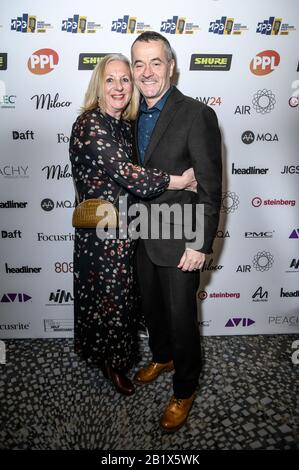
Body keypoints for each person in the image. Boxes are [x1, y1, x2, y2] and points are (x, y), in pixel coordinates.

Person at [69, 54, 196, 397]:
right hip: (103, 234)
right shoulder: (90, 125)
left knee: (125, 301)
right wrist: (178, 182)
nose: (119, 86)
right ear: (99, 85)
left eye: (125, 79)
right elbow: (130, 175)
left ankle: (128, 355)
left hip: (131, 230)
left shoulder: (125, 124)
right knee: (108, 301)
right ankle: (111, 363)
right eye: (111, 80)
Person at [131, 32, 222, 431]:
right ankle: (162, 355)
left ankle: (185, 388)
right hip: (140, 234)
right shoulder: (128, 113)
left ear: (171, 66)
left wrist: (201, 244)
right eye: (139, 63)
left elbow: (209, 187)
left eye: (155, 62)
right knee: (152, 310)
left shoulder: (196, 114)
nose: (147, 71)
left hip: (181, 239)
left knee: (183, 319)